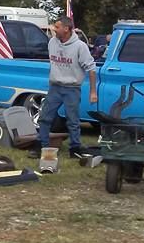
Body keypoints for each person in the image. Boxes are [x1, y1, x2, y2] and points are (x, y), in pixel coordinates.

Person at [34, 16, 97, 159]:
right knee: (45, 117)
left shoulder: (80, 47)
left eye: (57, 27)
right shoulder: (52, 42)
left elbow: (91, 69)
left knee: (72, 120)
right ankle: (40, 146)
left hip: (72, 88)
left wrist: (93, 92)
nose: (54, 29)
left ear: (66, 29)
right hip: (55, 86)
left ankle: (75, 148)